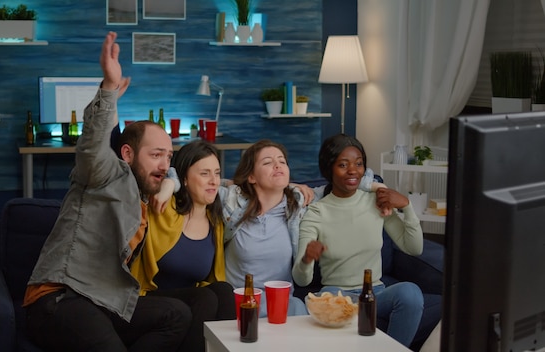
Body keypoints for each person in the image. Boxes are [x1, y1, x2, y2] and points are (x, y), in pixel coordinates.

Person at [23, 32, 191, 352]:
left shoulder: (147, 191)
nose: (164, 163)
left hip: (104, 300)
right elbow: (92, 146)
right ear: (126, 154)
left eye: (169, 155)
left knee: (176, 314)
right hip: (60, 298)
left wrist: (171, 178)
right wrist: (109, 89)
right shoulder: (105, 174)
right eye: (155, 154)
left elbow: (196, 178)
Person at [220, 139, 386, 318]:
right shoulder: (231, 201)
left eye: (282, 161)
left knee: (299, 308)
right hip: (240, 302)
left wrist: (378, 187)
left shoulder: (300, 201)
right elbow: (201, 181)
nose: (277, 165)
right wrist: (232, 183)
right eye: (268, 162)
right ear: (251, 176)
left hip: (281, 302)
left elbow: (345, 180)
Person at [292, 133, 424, 348]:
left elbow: (414, 248)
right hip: (336, 295)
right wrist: (307, 258)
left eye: (359, 164)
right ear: (329, 169)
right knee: (320, 306)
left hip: (375, 293)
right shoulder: (316, 212)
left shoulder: (376, 201)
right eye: (343, 165)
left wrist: (407, 207)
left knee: (410, 292)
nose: (353, 171)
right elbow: (301, 280)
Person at [130, 140, 236, 352]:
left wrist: (297, 187)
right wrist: (169, 183)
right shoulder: (162, 204)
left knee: (224, 291)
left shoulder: (215, 221)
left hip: (188, 302)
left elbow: (260, 187)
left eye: (216, 173)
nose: (213, 181)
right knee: (204, 297)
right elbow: (143, 179)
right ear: (184, 179)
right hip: (145, 298)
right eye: (204, 173)